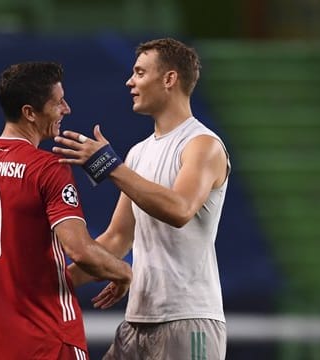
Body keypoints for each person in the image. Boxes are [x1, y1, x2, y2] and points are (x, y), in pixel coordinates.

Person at [53, 38, 230, 359]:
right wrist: (53, 285)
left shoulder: (203, 145)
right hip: (137, 320)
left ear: (169, 79)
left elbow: (180, 209)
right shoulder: (139, 152)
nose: (129, 81)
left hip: (187, 320)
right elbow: (117, 238)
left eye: (139, 72)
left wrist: (111, 166)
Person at [0, 62, 132, 360]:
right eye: (58, 102)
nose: (67, 109)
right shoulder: (47, 168)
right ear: (29, 113)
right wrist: (127, 274)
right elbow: (81, 250)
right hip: (49, 341)